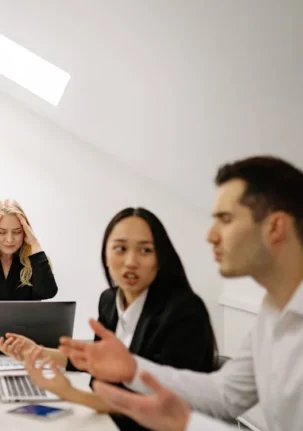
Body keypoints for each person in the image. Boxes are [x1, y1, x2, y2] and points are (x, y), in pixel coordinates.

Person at [60, 156, 303, 431]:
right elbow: (225, 395)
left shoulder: (182, 309)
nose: (210, 236)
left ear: (275, 227)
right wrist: (133, 370)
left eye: (225, 219)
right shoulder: (272, 313)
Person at [0, 207, 217, 430]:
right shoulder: (110, 300)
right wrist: (37, 351)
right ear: (105, 256)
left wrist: (70, 393)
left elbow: (159, 408)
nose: (131, 261)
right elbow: (93, 362)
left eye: (145, 250)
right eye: (120, 248)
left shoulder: (184, 313)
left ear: (160, 258)